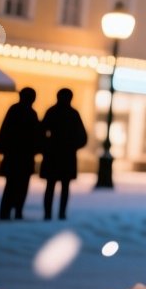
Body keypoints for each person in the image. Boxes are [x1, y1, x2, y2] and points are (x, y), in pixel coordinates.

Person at [39, 89, 88, 221]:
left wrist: (47, 146)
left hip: (53, 155)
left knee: (51, 186)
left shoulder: (52, 112)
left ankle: (48, 214)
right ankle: (61, 213)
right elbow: (83, 136)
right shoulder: (73, 114)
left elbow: (41, 132)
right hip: (66, 155)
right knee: (64, 187)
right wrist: (73, 146)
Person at [0, 88, 42, 221]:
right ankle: (17, 210)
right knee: (21, 186)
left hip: (12, 156)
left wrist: (2, 148)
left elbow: (4, 131)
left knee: (11, 185)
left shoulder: (14, 110)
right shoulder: (31, 113)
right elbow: (36, 136)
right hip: (25, 157)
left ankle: (6, 211)